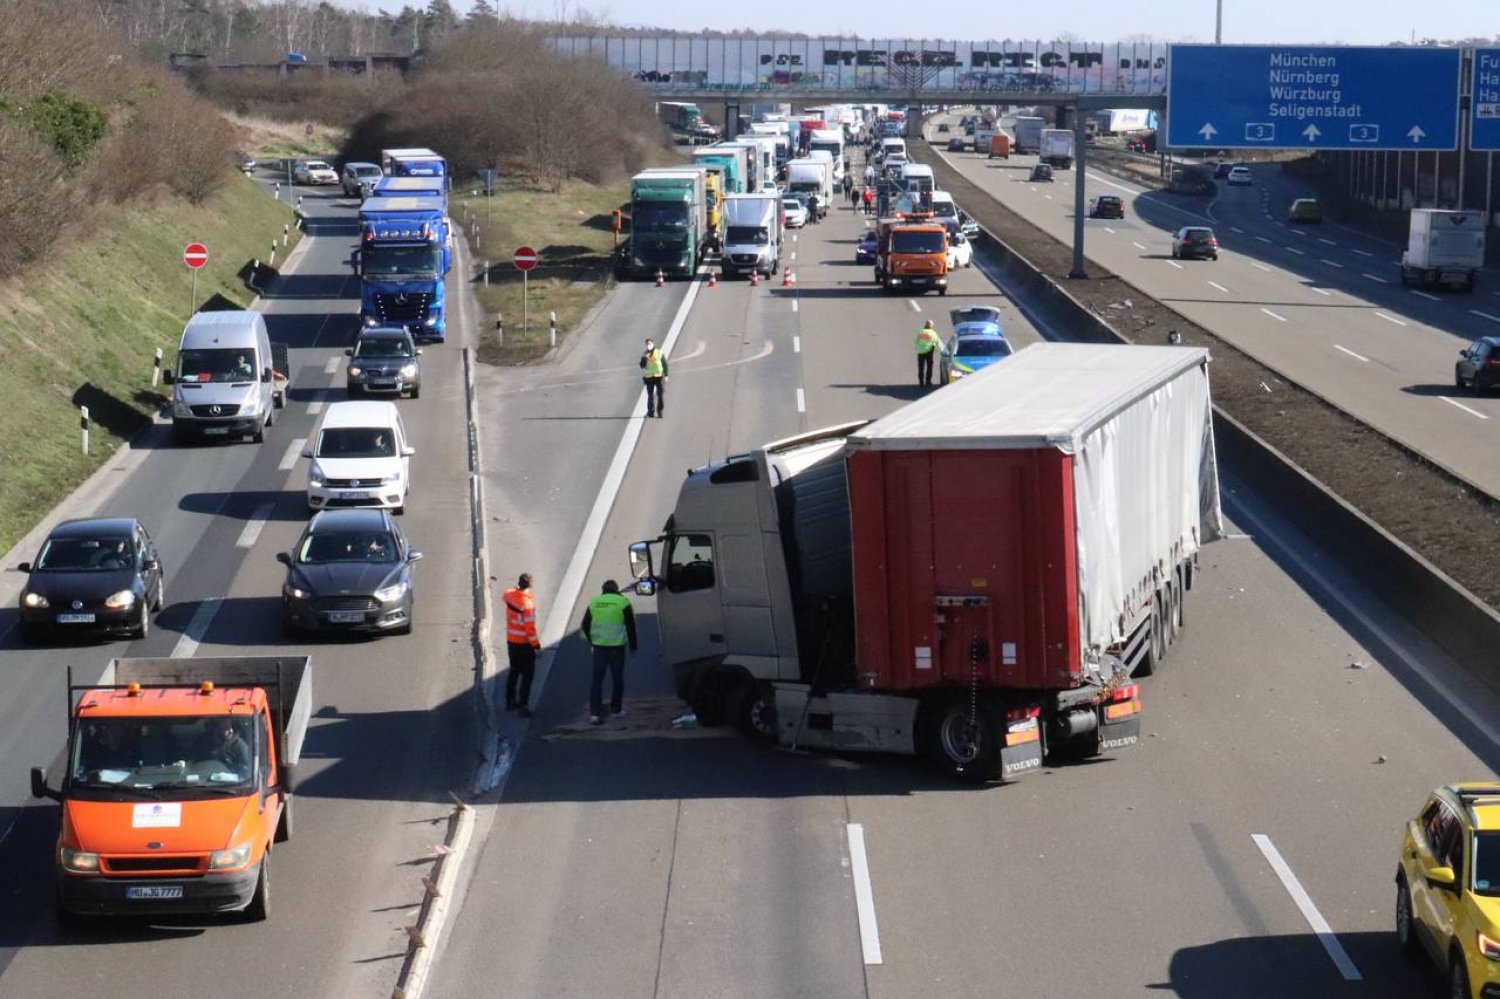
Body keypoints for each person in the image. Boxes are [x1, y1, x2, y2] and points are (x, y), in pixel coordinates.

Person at [580, 580, 637, 725]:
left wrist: (592, 641)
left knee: (597, 681)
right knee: (617, 679)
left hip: (599, 647)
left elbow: (585, 625)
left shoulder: (594, 602)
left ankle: (594, 713)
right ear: (617, 590)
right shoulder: (623, 602)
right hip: (617, 647)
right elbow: (630, 626)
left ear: (603, 590)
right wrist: (633, 647)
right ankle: (616, 709)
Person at [502, 572, 541, 717]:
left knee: (514, 671)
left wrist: (517, 588)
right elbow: (529, 629)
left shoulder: (510, 596)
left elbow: (507, 593)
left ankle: (510, 701)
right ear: (530, 586)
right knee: (527, 676)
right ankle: (523, 706)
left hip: (512, 641)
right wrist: (536, 646)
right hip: (524, 644)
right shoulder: (527, 605)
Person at [640, 337, 668, 418]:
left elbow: (664, 364)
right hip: (649, 377)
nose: (648, 345)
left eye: (650, 343)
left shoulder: (659, 352)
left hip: (659, 377)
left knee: (660, 394)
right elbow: (642, 366)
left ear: (653, 344)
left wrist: (666, 375)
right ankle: (650, 412)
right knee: (650, 395)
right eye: (647, 344)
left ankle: (660, 411)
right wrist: (645, 359)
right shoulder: (644, 354)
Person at [915, 320, 942, 387]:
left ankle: (921, 382)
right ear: (931, 326)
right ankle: (928, 381)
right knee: (929, 366)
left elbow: (916, 341)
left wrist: (919, 347)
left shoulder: (921, 331)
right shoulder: (933, 333)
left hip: (921, 351)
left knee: (921, 367)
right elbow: (936, 341)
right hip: (929, 352)